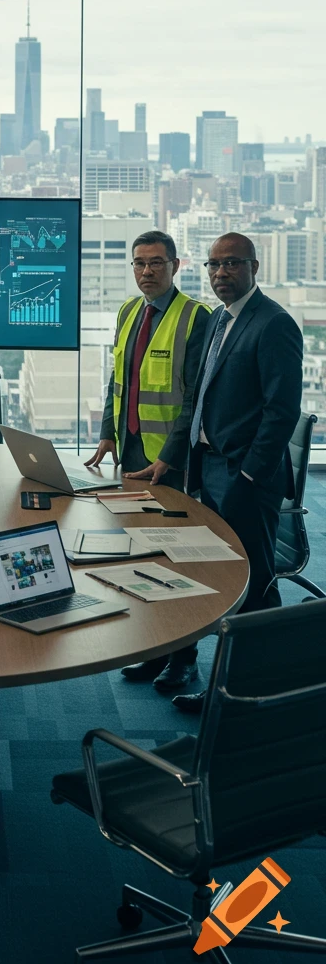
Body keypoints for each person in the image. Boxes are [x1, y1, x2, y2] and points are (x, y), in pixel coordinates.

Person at [173, 232, 303, 715]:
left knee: (252, 584)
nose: (221, 273)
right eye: (214, 265)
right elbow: (202, 393)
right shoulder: (219, 320)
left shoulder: (274, 324)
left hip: (244, 475)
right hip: (207, 466)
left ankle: (257, 693)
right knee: (225, 578)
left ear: (253, 268)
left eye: (232, 264)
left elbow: (281, 410)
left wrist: (249, 475)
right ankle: (243, 686)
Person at [84, 229, 212, 695]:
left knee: (176, 562)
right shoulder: (127, 312)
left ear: (176, 266)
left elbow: (195, 397)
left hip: (172, 463)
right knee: (138, 554)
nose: (146, 271)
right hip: (132, 453)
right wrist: (105, 434)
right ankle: (154, 648)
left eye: (156, 262)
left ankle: (184, 660)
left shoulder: (196, 317)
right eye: (139, 263)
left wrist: (171, 456)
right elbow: (118, 376)